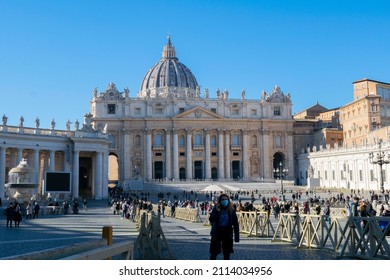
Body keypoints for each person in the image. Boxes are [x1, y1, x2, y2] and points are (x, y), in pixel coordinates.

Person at [209, 194, 239, 260]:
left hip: (227, 232)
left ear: (228, 200)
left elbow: (235, 223)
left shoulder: (231, 209)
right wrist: (216, 211)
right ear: (220, 201)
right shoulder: (216, 208)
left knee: (227, 254)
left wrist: (237, 237)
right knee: (213, 253)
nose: (224, 201)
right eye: (222, 199)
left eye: (226, 199)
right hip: (217, 232)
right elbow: (211, 219)